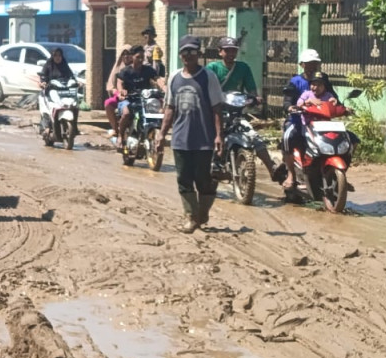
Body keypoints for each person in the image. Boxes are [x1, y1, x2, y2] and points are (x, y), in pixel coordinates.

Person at [156, 35, 225, 233]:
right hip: (180, 138)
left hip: (203, 138)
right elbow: (169, 108)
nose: (188, 55)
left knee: (204, 179)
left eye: (192, 52)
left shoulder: (208, 77)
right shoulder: (175, 78)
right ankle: (191, 216)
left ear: (198, 54)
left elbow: (216, 108)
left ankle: (202, 212)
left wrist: (219, 135)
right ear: (180, 55)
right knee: (184, 179)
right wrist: (162, 134)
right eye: (185, 52)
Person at [208, 35, 287, 183]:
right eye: (227, 50)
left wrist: (254, 98)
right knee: (212, 136)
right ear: (220, 52)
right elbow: (205, 87)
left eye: (233, 51)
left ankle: (272, 167)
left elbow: (251, 89)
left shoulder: (243, 68)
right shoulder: (212, 68)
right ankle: (213, 163)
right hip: (217, 113)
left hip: (237, 113)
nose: (231, 54)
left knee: (254, 137)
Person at [281, 49, 336, 192]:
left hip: (321, 122)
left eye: (314, 64)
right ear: (302, 65)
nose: (311, 67)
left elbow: (333, 97)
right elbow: (287, 100)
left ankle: (335, 174)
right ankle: (291, 175)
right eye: (308, 64)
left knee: (348, 139)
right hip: (299, 121)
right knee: (287, 138)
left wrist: (337, 104)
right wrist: (290, 107)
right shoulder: (295, 82)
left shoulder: (324, 79)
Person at [115, 45, 166, 150]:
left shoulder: (148, 70)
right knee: (126, 113)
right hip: (129, 99)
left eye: (142, 57)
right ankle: (120, 136)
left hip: (144, 100)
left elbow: (157, 79)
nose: (141, 59)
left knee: (158, 112)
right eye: (138, 57)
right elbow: (119, 82)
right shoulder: (126, 71)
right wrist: (121, 91)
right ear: (132, 57)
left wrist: (165, 88)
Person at [104, 46, 133, 138]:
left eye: (128, 54)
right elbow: (112, 86)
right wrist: (118, 92)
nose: (126, 57)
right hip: (120, 95)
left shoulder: (136, 68)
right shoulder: (118, 68)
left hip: (134, 95)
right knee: (108, 103)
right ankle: (116, 129)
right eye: (124, 54)